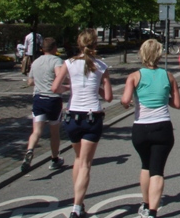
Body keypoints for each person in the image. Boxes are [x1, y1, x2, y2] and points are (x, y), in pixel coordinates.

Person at [52, 29, 113, 218]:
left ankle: (77, 200)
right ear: (95, 44)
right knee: (86, 163)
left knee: (78, 160)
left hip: (73, 116)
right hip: (92, 117)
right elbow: (109, 97)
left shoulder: (68, 63)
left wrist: (69, 87)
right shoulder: (101, 66)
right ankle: (77, 207)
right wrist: (98, 90)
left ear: (79, 44)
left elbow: (55, 88)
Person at [121, 39, 180, 218]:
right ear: (159, 55)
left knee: (145, 165)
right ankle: (152, 212)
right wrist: (164, 99)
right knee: (157, 170)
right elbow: (177, 104)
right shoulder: (168, 76)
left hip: (141, 128)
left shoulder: (134, 76)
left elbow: (125, 100)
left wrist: (128, 102)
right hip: (162, 127)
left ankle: (146, 204)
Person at [21, 37, 66, 173]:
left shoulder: (36, 62)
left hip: (39, 98)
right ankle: (54, 158)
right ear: (54, 48)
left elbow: (29, 82)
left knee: (37, 131)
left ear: (42, 48)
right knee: (54, 131)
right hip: (52, 99)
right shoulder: (56, 61)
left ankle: (29, 150)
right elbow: (59, 77)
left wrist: (41, 82)